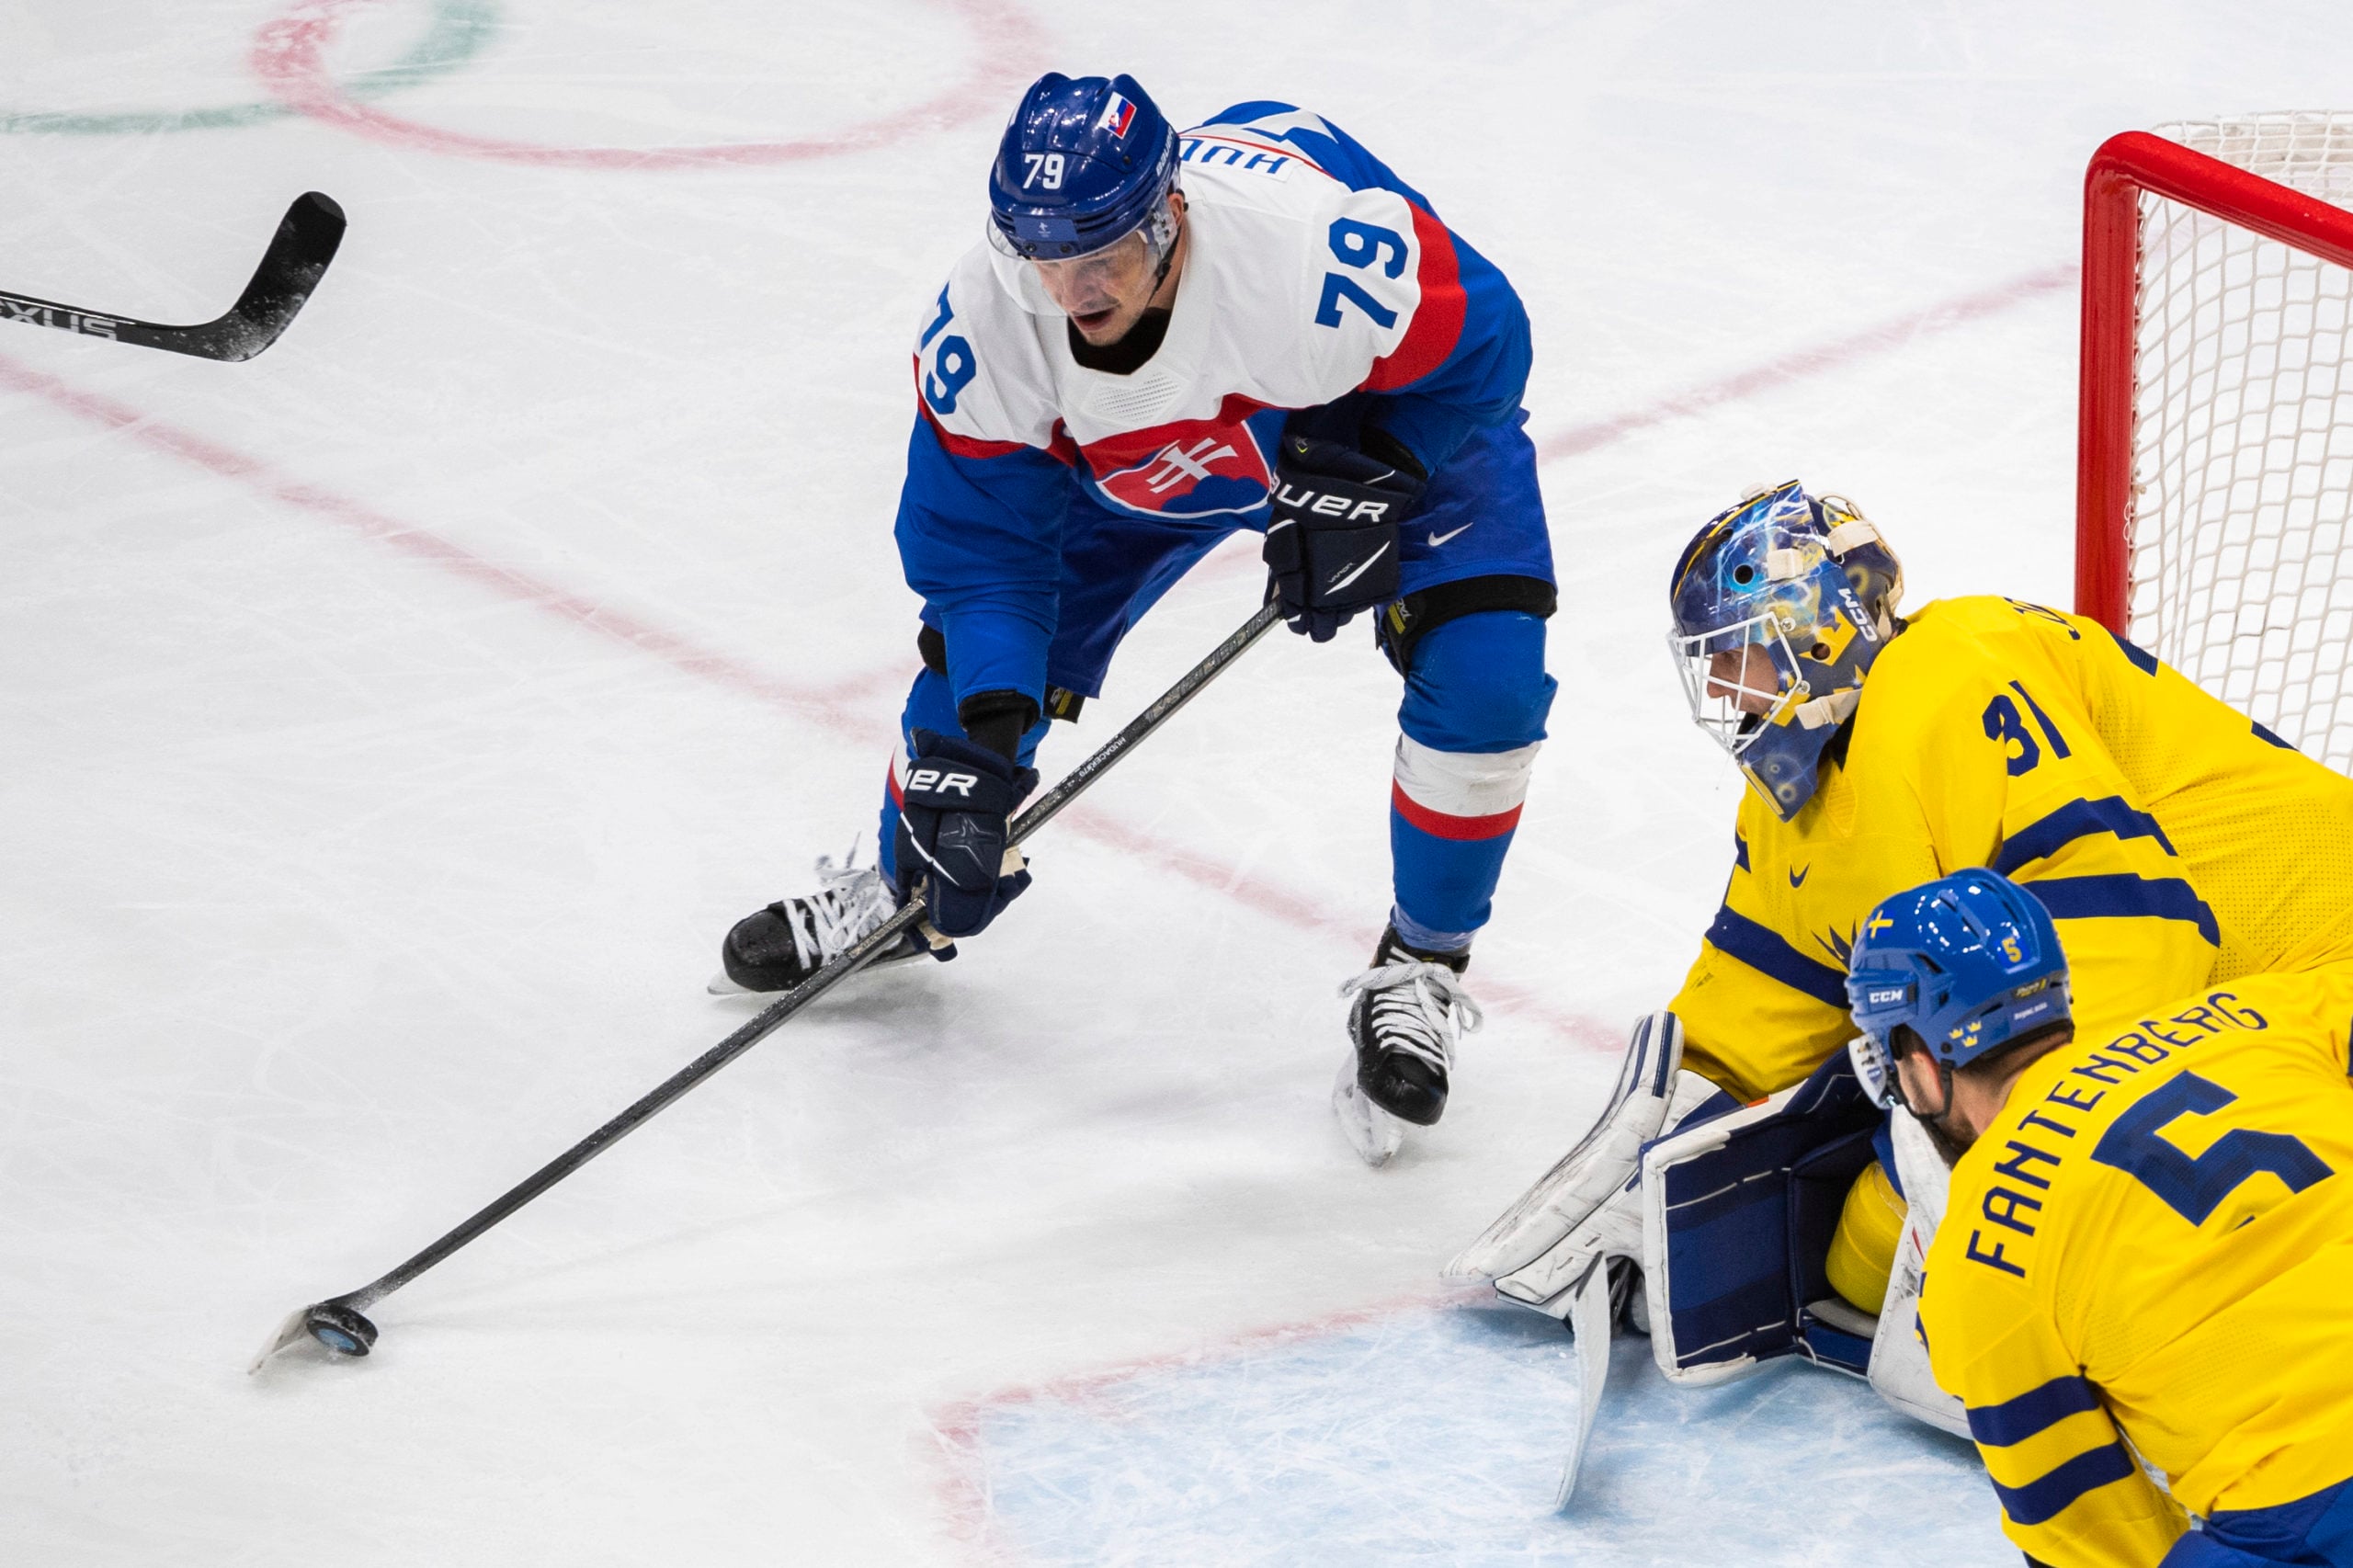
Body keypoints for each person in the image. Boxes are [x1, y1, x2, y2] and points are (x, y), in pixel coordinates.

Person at [716, 74, 1558, 1163]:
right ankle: (907, 887)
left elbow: (1487, 339)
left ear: (1169, 218)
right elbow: (983, 559)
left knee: (1488, 671)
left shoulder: (1308, 253)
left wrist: (1389, 466)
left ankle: (1422, 967)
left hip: (1345, 416)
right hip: (1134, 468)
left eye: (1099, 251)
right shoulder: (991, 322)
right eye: (1041, 256)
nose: (1068, 287)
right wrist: (981, 747)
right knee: (969, 711)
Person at [1447, 482, 2353, 1427]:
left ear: (1820, 629)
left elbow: (2136, 932)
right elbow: (1756, 1003)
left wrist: (2016, 1149)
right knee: (1862, 1251)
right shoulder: (1789, 800)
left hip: (2314, 974)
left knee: (1948, 1232)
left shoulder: (1956, 667)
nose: (1721, 692)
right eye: (1711, 667)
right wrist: (1653, 1170)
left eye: (1742, 657)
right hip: (2226, 1003)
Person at [1846, 869, 2353, 1568]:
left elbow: (2087, 1532)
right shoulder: (2249, 1013)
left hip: (2319, 1508)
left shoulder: (1976, 1259)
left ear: (1923, 1063)